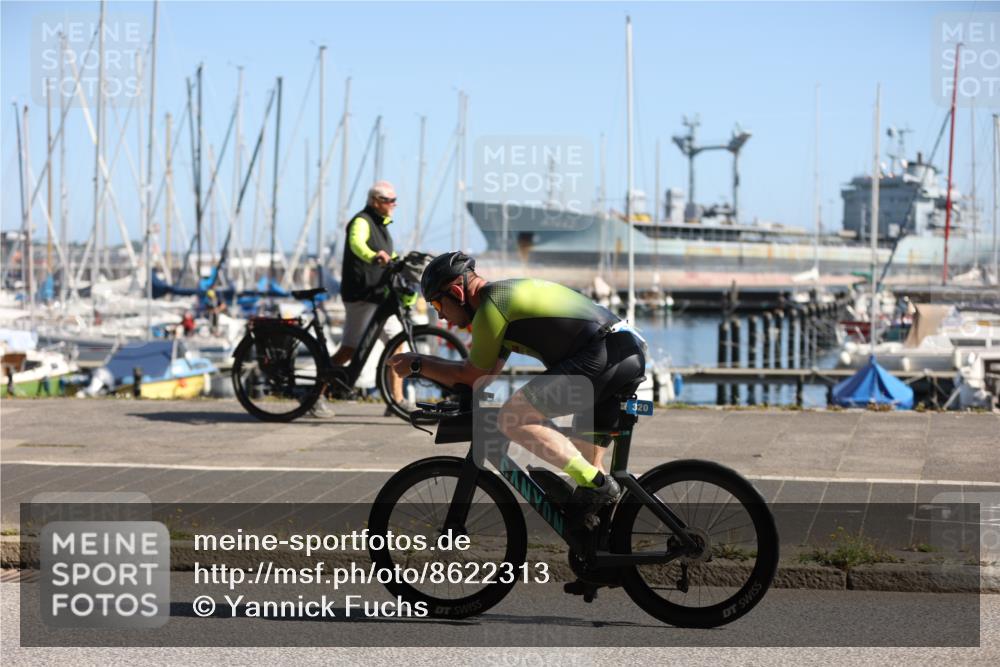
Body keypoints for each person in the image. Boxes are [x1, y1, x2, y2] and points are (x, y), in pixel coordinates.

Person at [386, 251, 647, 512]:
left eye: (438, 305)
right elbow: (483, 376)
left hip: (601, 356)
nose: (441, 316)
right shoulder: (501, 302)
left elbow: (471, 375)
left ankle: (599, 483)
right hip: (622, 351)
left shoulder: (492, 308)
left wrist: (418, 364)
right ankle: (598, 542)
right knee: (586, 469)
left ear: (456, 292)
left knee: (514, 417)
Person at [332, 181, 406, 407]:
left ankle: (397, 400)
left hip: (380, 295)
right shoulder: (361, 221)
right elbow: (357, 244)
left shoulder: (382, 226)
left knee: (397, 344)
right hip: (361, 294)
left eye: (395, 200)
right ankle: (317, 392)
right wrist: (374, 255)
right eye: (389, 200)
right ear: (376, 201)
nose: (394, 204)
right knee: (349, 349)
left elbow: (391, 256)